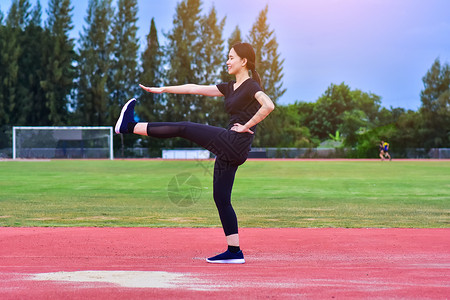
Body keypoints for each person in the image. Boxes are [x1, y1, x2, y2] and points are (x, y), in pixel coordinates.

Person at [115, 42, 275, 264]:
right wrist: (164, 89)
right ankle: (234, 251)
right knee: (221, 198)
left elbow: (268, 106)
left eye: (231, 57)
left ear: (243, 61)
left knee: (185, 127)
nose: (227, 61)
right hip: (232, 149)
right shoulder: (230, 87)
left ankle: (129, 127)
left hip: (235, 141)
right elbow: (195, 88)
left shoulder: (250, 86)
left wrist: (246, 124)